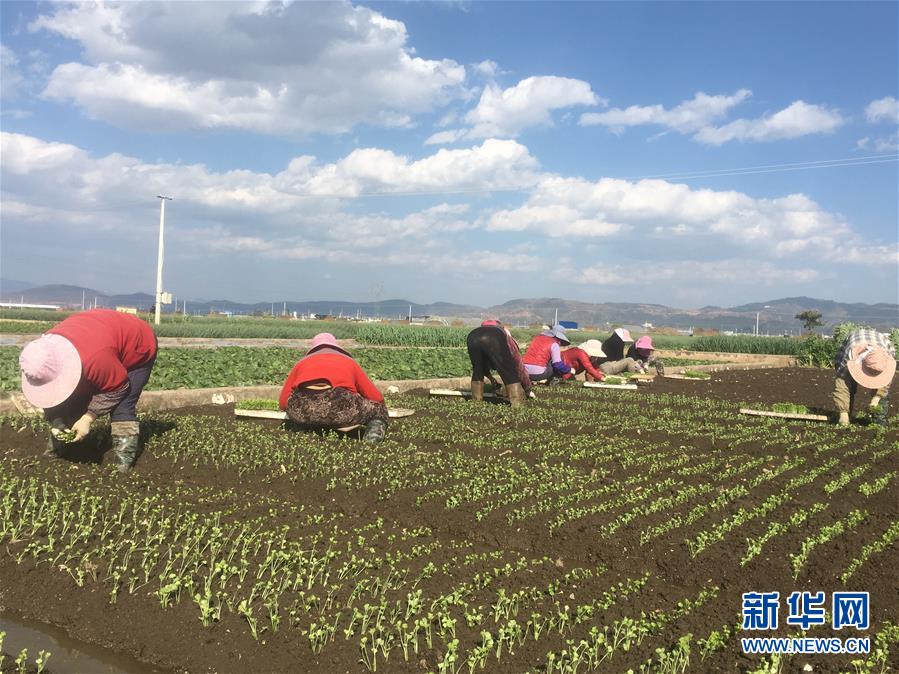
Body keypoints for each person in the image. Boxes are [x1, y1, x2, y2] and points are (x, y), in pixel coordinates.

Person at [18, 309, 158, 472]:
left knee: (122, 407)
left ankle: (123, 463)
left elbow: (118, 387)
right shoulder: (40, 355)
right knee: (72, 398)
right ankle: (56, 451)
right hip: (99, 336)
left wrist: (88, 418)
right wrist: (56, 422)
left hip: (137, 343)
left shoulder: (94, 360)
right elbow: (50, 395)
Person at [279, 333, 388, 442]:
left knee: (304, 408)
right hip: (339, 408)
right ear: (336, 348)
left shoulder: (301, 364)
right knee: (379, 409)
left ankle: (306, 428)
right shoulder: (349, 362)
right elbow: (376, 397)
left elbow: (283, 402)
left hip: (302, 411)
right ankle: (372, 439)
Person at [832, 327, 895, 426]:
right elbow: (842, 386)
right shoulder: (848, 358)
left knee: (883, 393)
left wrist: (876, 398)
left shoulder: (886, 358)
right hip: (854, 343)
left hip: (881, 341)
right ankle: (846, 416)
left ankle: (879, 421)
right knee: (848, 383)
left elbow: (886, 381)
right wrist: (843, 413)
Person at [466, 320, 530, 406]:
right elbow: (518, 363)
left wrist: (492, 380)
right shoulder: (503, 333)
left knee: (477, 370)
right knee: (508, 371)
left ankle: (476, 401)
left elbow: (483, 367)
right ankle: (517, 403)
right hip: (494, 337)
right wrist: (527, 387)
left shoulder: (477, 333)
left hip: (472, 336)